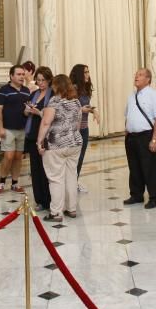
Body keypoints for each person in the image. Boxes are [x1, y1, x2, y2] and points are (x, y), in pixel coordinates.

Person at [36, 74, 84, 222]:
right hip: (75, 143)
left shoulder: (54, 101)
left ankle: (56, 213)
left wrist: (39, 142)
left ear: (56, 86)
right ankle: (71, 208)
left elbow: (45, 123)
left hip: (56, 145)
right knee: (71, 176)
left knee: (55, 178)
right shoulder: (76, 102)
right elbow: (78, 123)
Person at [123, 68, 156, 209]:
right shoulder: (131, 95)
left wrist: (154, 139)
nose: (136, 76)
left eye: (140, 75)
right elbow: (128, 115)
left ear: (148, 79)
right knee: (134, 167)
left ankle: (154, 198)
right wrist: (127, 131)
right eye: (136, 74)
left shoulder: (154, 96)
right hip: (131, 137)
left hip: (146, 136)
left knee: (150, 168)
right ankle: (136, 194)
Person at [0, 64, 30, 195]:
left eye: (23, 74)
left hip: (22, 129)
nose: (22, 77)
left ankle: (15, 183)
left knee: (18, 157)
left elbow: (27, 110)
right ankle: (2, 182)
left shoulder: (27, 91)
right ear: (11, 76)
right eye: (19, 74)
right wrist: (0, 128)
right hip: (8, 129)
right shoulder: (3, 90)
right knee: (8, 156)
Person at [24, 67, 53, 212]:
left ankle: (49, 200)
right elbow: (25, 111)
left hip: (46, 135)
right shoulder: (34, 93)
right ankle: (40, 200)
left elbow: (51, 116)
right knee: (35, 169)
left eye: (43, 80)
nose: (40, 83)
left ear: (49, 80)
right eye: (39, 80)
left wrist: (39, 112)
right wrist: (27, 110)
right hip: (32, 135)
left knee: (45, 169)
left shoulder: (52, 95)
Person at [70, 64, 100, 189]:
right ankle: (70, 183)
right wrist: (82, 110)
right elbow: (70, 109)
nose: (88, 74)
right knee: (73, 158)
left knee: (81, 157)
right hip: (73, 130)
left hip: (84, 129)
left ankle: (74, 182)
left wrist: (94, 111)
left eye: (88, 72)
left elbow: (85, 107)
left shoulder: (85, 89)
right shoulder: (73, 89)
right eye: (85, 72)